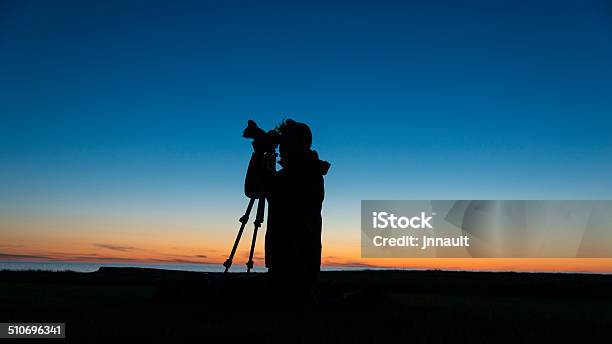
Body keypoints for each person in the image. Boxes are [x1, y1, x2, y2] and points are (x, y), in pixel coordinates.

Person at [244, 119, 330, 305]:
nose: (283, 145)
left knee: (290, 314)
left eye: (287, 140)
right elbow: (256, 189)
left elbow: (254, 188)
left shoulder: (305, 172)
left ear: (303, 143)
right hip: (287, 257)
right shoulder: (303, 169)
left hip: (296, 259)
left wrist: (259, 152)